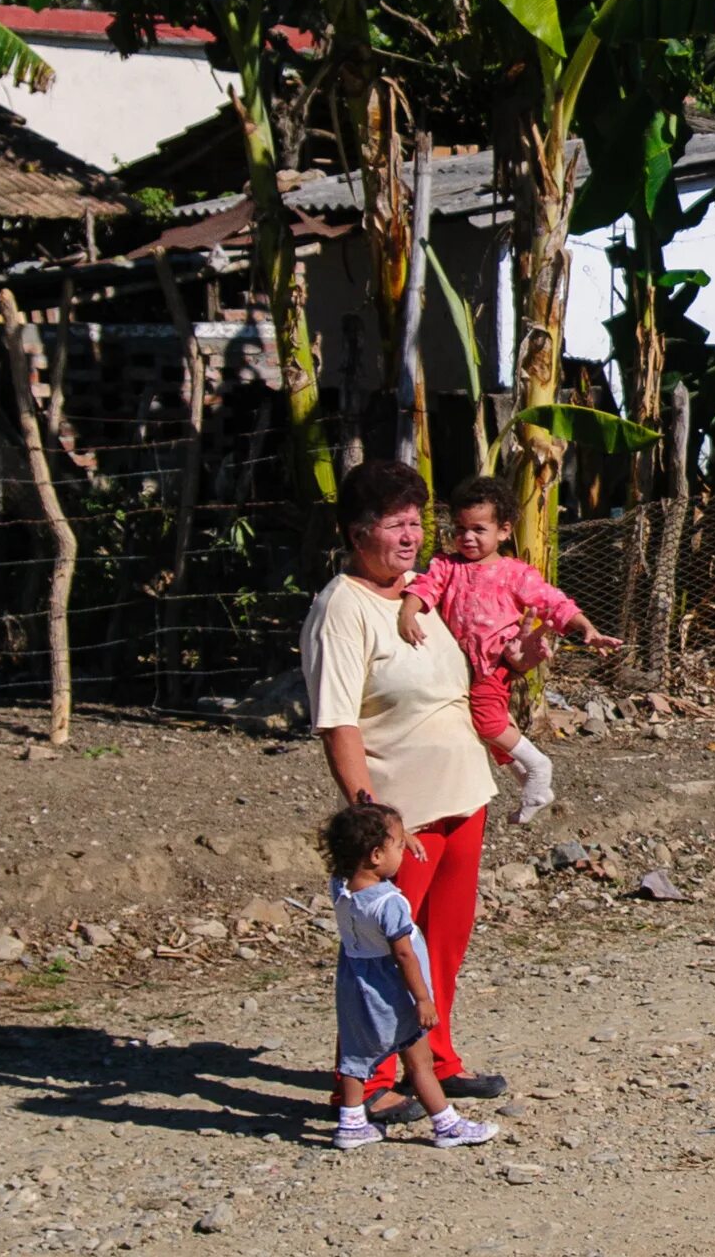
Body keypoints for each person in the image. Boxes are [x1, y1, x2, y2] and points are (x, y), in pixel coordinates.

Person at [300, 460, 508, 1125]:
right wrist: (372, 819)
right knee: (384, 952)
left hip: (462, 793)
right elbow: (339, 720)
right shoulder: (342, 609)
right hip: (402, 815)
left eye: (418, 522)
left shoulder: (417, 595)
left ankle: (438, 1062)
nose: (413, 535)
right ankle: (367, 1080)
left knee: (442, 942)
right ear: (360, 533)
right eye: (397, 523)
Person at [399, 476, 620, 824]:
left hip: (491, 665)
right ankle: (530, 786)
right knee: (483, 729)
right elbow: (425, 587)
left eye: (478, 529)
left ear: (503, 531)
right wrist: (407, 611)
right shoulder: (446, 565)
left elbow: (554, 602)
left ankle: (537, 767)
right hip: (459, 668)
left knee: (488, 725)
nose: (467, 537)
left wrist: (586, 628)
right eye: (460, 528)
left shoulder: (515, 574)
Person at [323, 802, 495, 1152]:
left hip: (354, 981)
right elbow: (403, 954)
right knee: (420, 1063)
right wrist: (423, 998)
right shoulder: (389, 902)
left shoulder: (340, 887)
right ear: (375, 855)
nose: (405, 852)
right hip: (392, 987)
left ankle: (351, 1123)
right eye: (399, 845)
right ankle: (446, 1124)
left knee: (356, 1057)